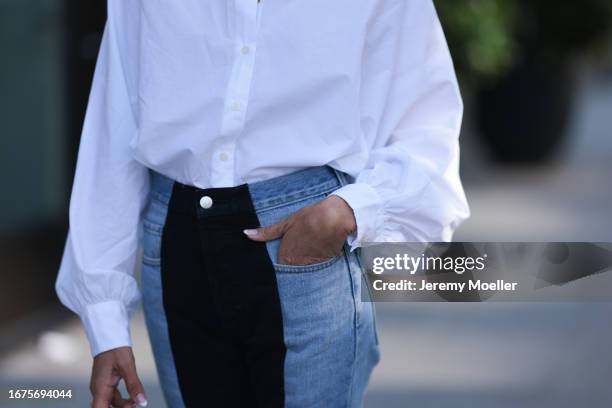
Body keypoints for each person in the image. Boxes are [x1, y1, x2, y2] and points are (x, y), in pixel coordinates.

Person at [55, 0, 469, 407]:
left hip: (308, 235)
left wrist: (350, 211)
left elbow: (426, 120)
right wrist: (105, 321)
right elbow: (115, 121)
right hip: (175, 241)